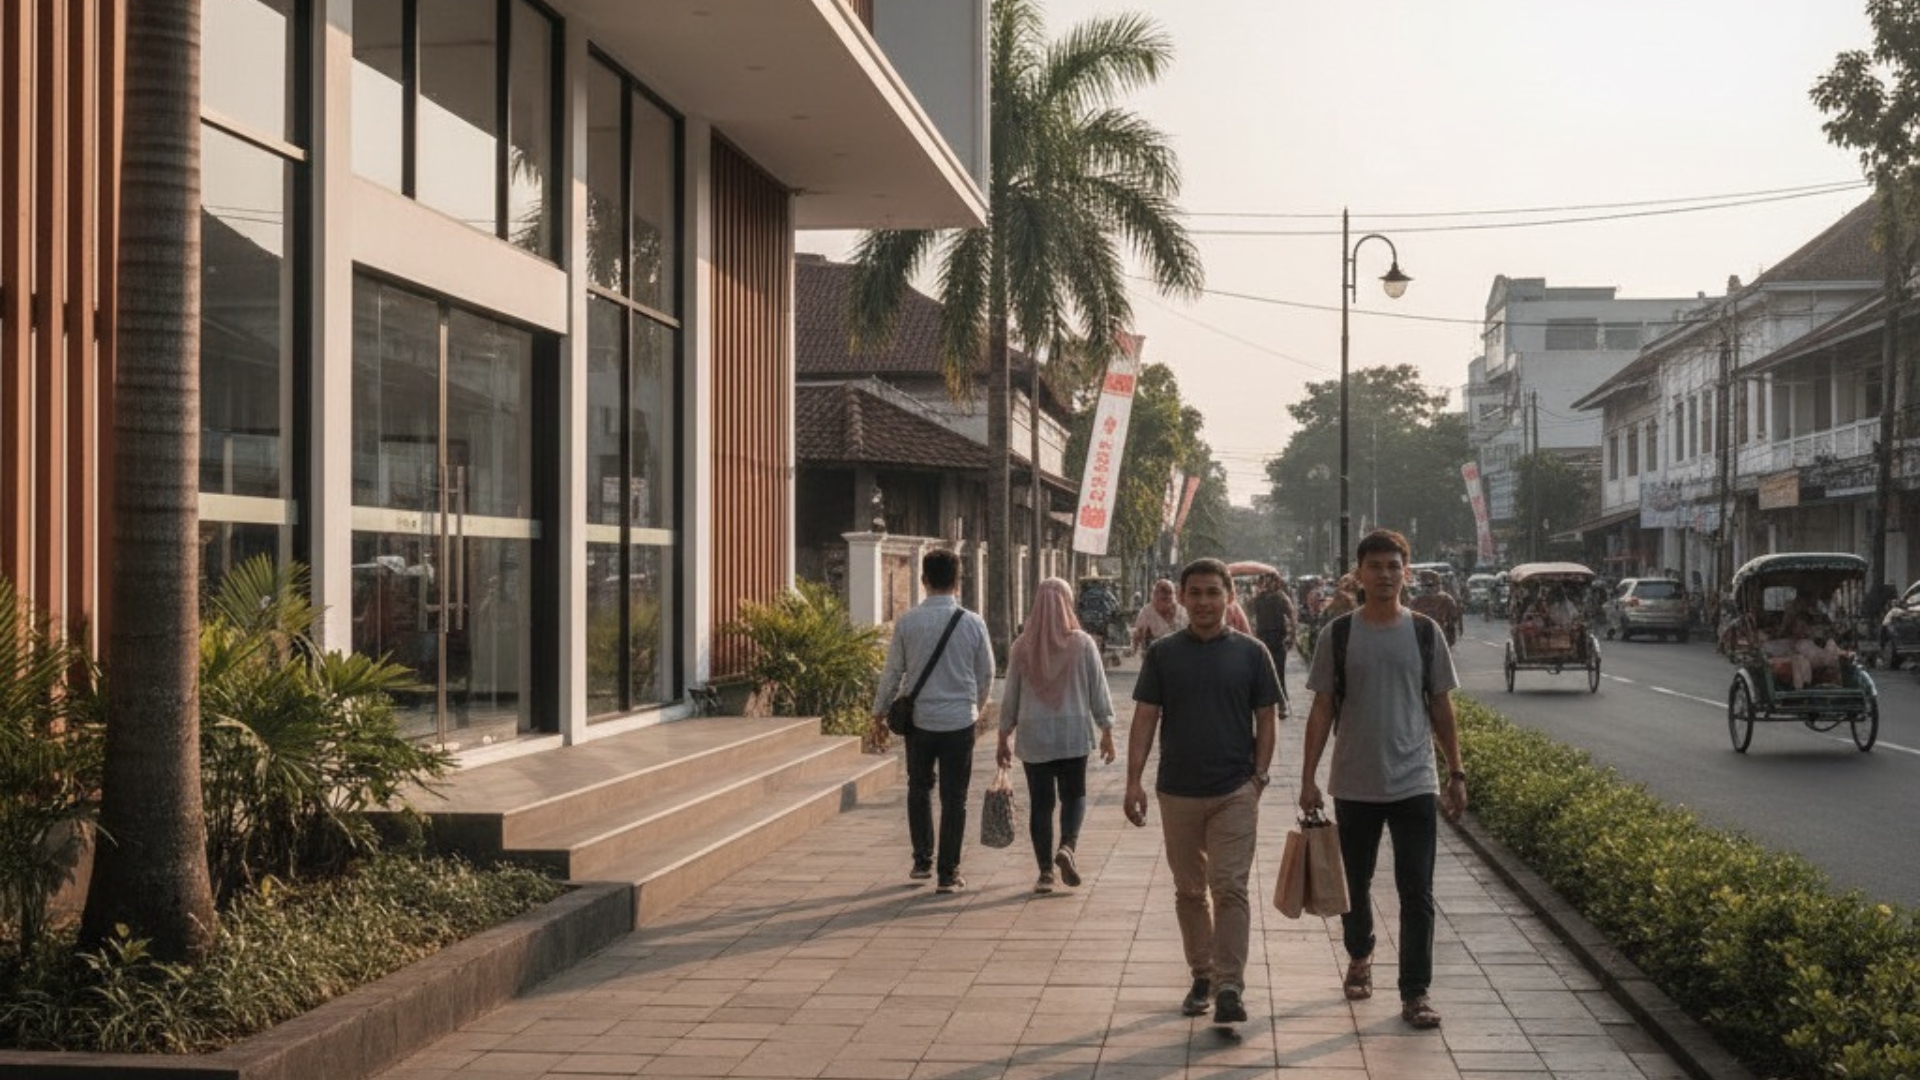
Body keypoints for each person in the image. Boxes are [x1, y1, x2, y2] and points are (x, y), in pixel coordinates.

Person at [1299, 529, 1465, 1031]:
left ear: (1406, 573)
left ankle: (1415, 992)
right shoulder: (1339, 634)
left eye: (1394, 566)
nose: (1386, 575)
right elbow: (1323, 706)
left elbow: (1441, 704)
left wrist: (1455, 771)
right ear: (1359, 574)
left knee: (1417, 890)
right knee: (1356, 882)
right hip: (1355, 782)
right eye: (1376, 566)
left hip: (1415, 780)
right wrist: (1307, 778)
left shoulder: (1423, 632)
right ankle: (1360, 954)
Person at [1124, 557, 1283, 1027]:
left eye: (1213, 593)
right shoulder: (1163, 654)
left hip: (1235, 790)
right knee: (1190, 890)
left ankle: (1230, 985)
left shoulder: (1253, 654)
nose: (1204, 602)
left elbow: (1267, 719)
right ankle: (1202, 974)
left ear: (1229, 597)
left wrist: (1258, 778)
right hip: (1178, 792)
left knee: (1229, 887)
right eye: (1195, 593)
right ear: (1183, 598)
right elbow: (1145, 719)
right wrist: (1134, 781)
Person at [870, 549, 996, 893]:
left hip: (920, 721)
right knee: (955, 799)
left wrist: (879, 713)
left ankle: (922, 860)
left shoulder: (908, 622)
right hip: (959, 722)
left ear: (924, 581)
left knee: (918, 787)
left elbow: (893, 672)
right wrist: (977, 708)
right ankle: (948, 873)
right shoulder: (973, 622)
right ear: (957, 582)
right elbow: (987, 673)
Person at [997, 578, 1118, 895]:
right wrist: (1106, 730)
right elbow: (1098, 690)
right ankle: (1067, 846)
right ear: (1067, 603)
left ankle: (1045, 874)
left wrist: (1003, 735)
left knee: (1041, 804)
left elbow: (1010, 696)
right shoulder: (1082, 643)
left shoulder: (1023, 645)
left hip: (1034, 734)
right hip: (1072, 732)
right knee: (1074, 794)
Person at [1250, 572, 1298, 696]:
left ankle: (1281, 699)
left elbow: (1292, 617)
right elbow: (1249, 616)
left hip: (1276, 639)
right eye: (1265, 580)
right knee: (1266, 671)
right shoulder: (1259, 599)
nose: (1267, 583)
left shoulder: (1280, 597)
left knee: (1278, 671)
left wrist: (1293, 636)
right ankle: (1272, 699)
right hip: (1264, 639)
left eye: (1270, 580)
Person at [1131, 578, 1187, 653]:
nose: (1166, 596)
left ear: (1174, 595)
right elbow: (1137, 634)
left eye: (1169, 593)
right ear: (1154, 595)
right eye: (1161, 594)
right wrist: (1133, 648)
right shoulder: (1146, 612)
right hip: (1155, 655)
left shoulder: (1182, 611)